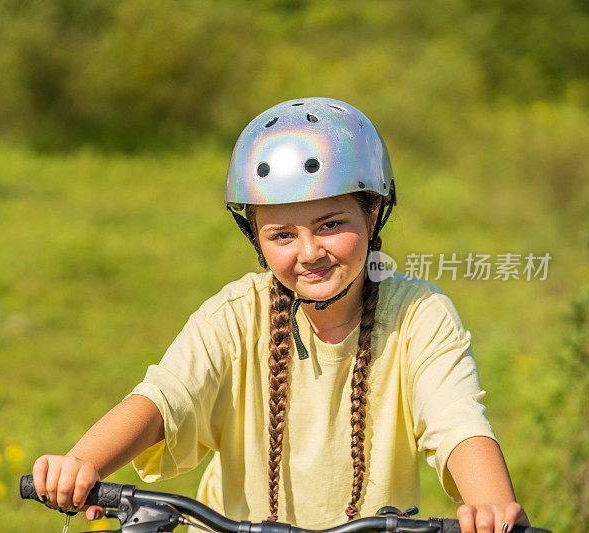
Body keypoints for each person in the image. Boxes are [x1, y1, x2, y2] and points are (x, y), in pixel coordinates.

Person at [32, 98, 530, 533]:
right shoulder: (235, 315)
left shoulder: (419, 315)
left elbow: (457, 419)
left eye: (331, 223)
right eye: (282, 235)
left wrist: (490, 505)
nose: (309, 252)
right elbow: (165, 397)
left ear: (373, 214)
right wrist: (81, 463)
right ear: (256, 239)